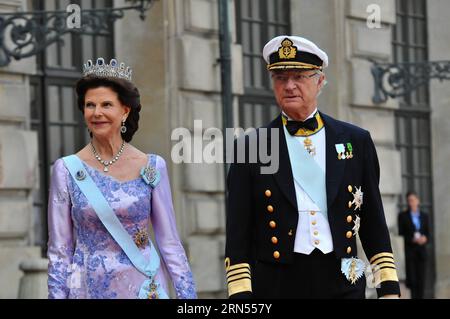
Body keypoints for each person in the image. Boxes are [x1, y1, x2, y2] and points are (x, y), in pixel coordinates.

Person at [224, 36, 400, 299]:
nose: (289, 86)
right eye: (280, 78)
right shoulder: (250, 147)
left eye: (299, 77)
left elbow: (373, 222)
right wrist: (240, 296)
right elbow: (238, 233)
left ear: (319, 81)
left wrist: (388, 287)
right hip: (278, 283)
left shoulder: (355, 141)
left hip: (345, 278)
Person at [47, 58, 197, 299]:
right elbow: (60, 250)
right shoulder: (65, 170)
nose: (97, 113)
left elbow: (170, 243)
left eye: (106, 104)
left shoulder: (152, 166)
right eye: (90, 105)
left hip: (143, 288)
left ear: (124, 111)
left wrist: (187, 298)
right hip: (87, 288)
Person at [398, 191, 430, 299]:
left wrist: (424, 238)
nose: (411, 203)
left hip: (421, 253)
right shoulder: (403, 216)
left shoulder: (424, 216)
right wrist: (412, 239)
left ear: (418, 201)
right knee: (412, 281)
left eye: (413, 200)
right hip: (410, 253)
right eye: (409, 201)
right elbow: (401, 234)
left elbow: (428, 233)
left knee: (421, 280)